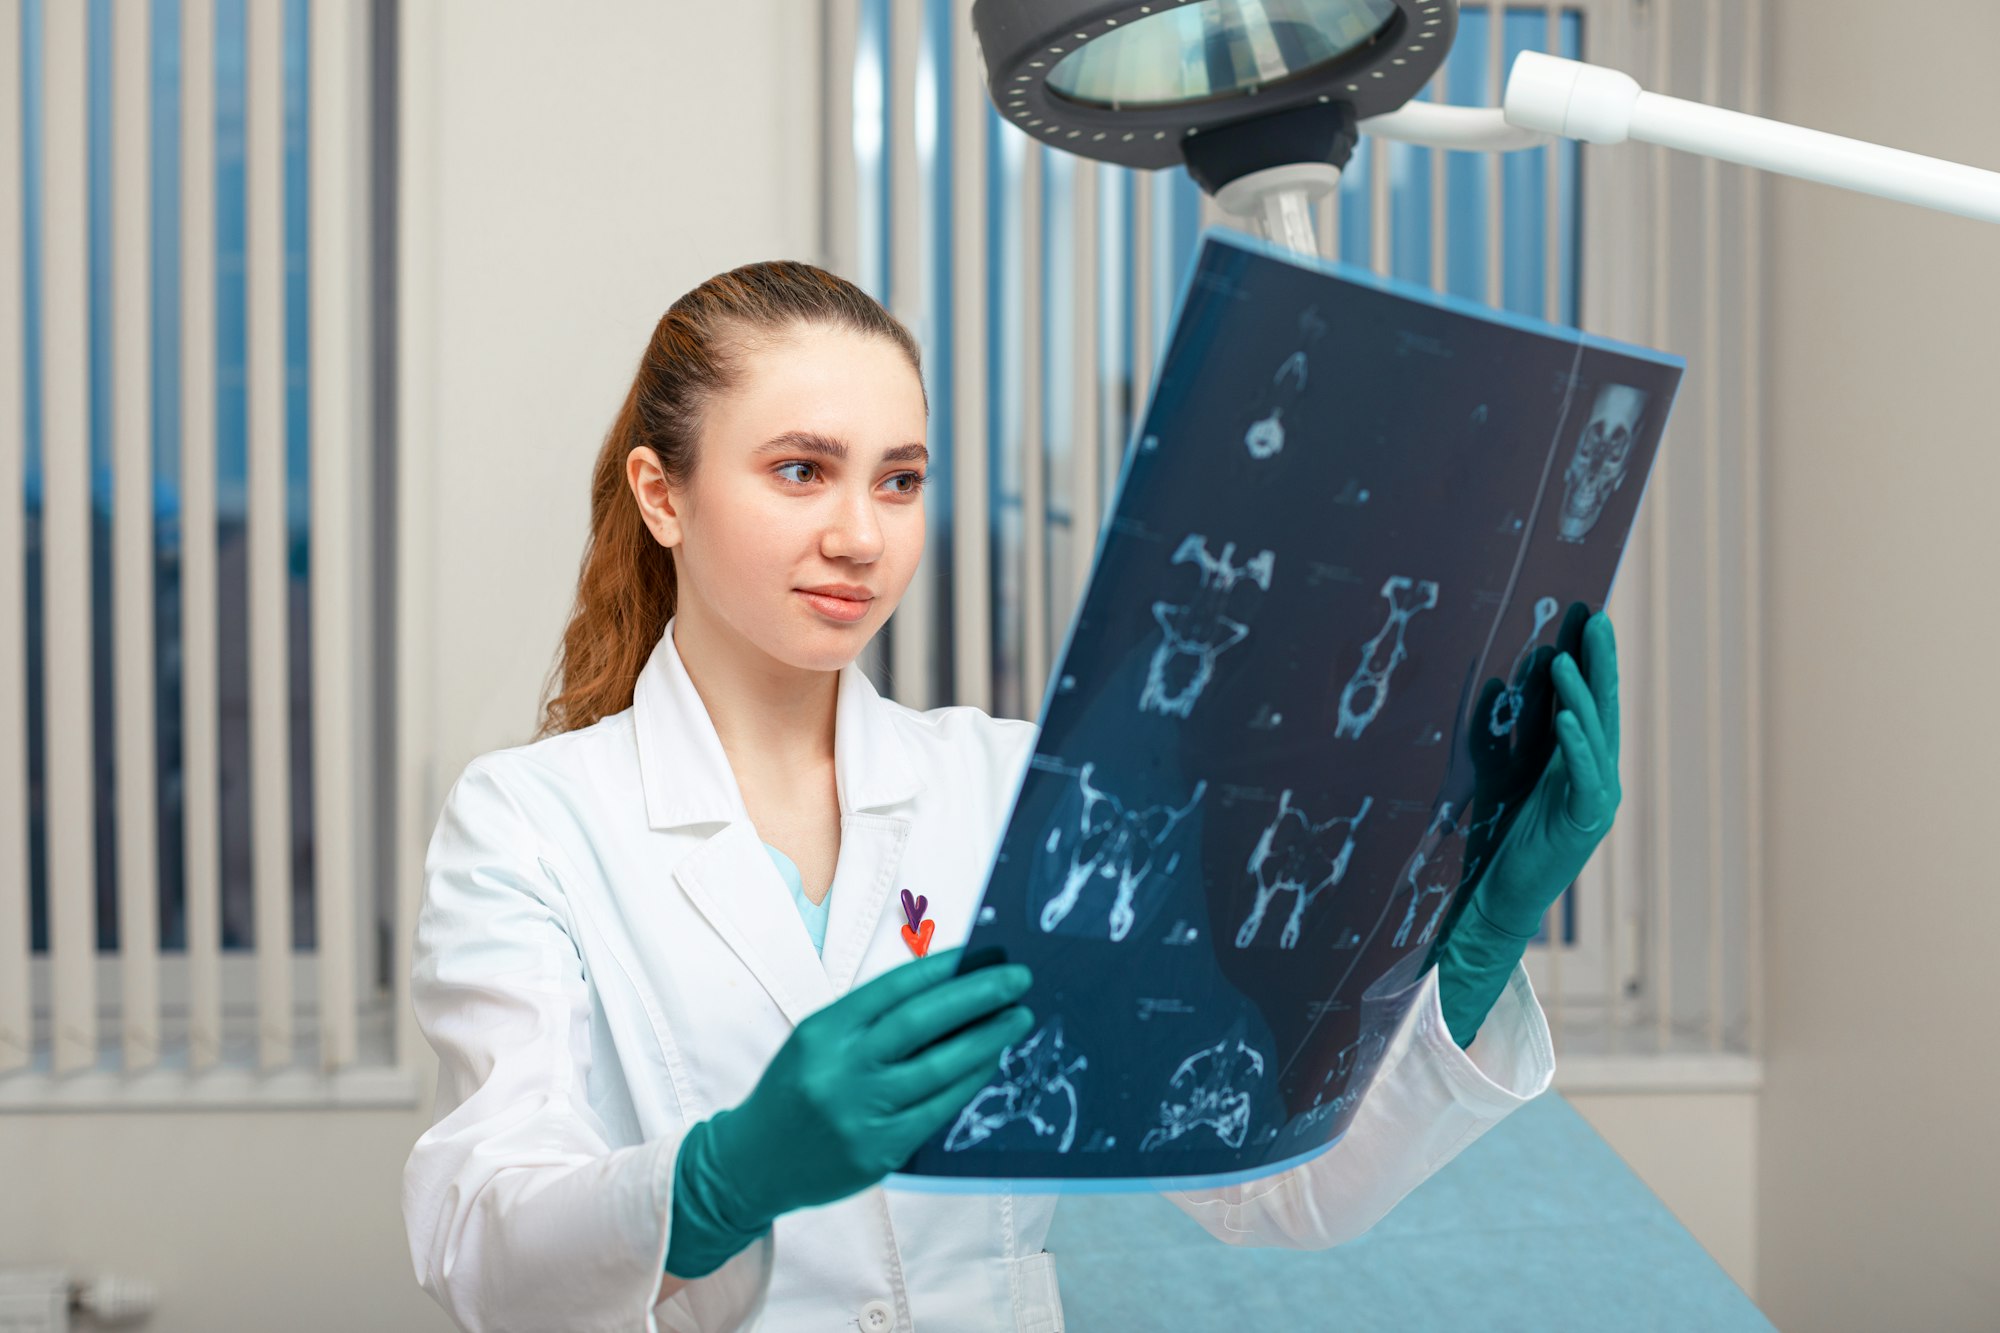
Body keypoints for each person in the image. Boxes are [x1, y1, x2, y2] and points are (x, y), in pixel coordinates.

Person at [400, 260, 1623, 1333]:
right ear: (662, 495)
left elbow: (1272, 1184)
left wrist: (1475, 942)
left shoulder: (1011, 788)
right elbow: (480, 1250)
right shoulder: (530, 822)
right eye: (798, 471)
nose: (859, 536)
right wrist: (721, 1180)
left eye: (897, 480)